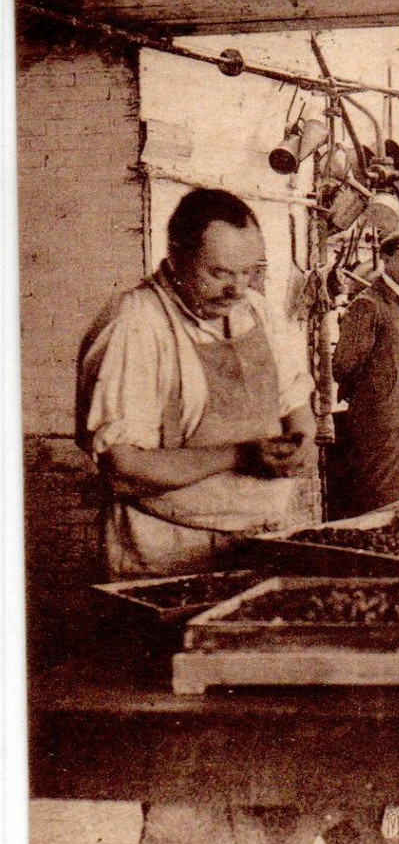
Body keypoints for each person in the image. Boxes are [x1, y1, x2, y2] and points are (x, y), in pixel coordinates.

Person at [77, 187, 315, 579]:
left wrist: (300, 442)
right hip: (169, 552)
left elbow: (294, 403)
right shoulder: (136, 324)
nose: (236, 289)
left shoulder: (255, 310)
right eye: (219, 272)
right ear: (176, 256)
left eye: (248, 271)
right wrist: (242, 455)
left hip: (264, 541)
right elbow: (122, 468)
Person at [328, 232, 399, 518]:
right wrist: (383, 393)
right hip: (384, 428)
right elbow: (342, 365)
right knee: (383, 502)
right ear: (386, 259)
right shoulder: (369, 304)